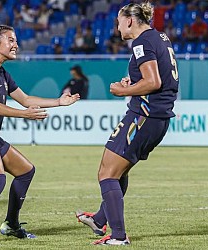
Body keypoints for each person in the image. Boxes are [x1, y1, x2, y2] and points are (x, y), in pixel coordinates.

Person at [0, 24, 80, 245]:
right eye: (11, 40)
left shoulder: (1, 72)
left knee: (25, 171)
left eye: (15, 40)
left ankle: (11, 225)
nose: (16, 45)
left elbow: (26, 99)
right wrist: (26, 115)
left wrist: (59, 102)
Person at [75, 2, 179, 245]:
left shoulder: (142, 42)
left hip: (144, 116)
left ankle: (119, 236)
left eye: (119, 21)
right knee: (118, 170)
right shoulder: (160, 37)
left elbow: (153, 82)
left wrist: (124, 91)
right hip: (156, 118)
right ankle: (100, 220)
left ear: (130, 21)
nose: (117, 26)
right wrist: (133, 81)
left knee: (106, 173)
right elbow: (158, 75)